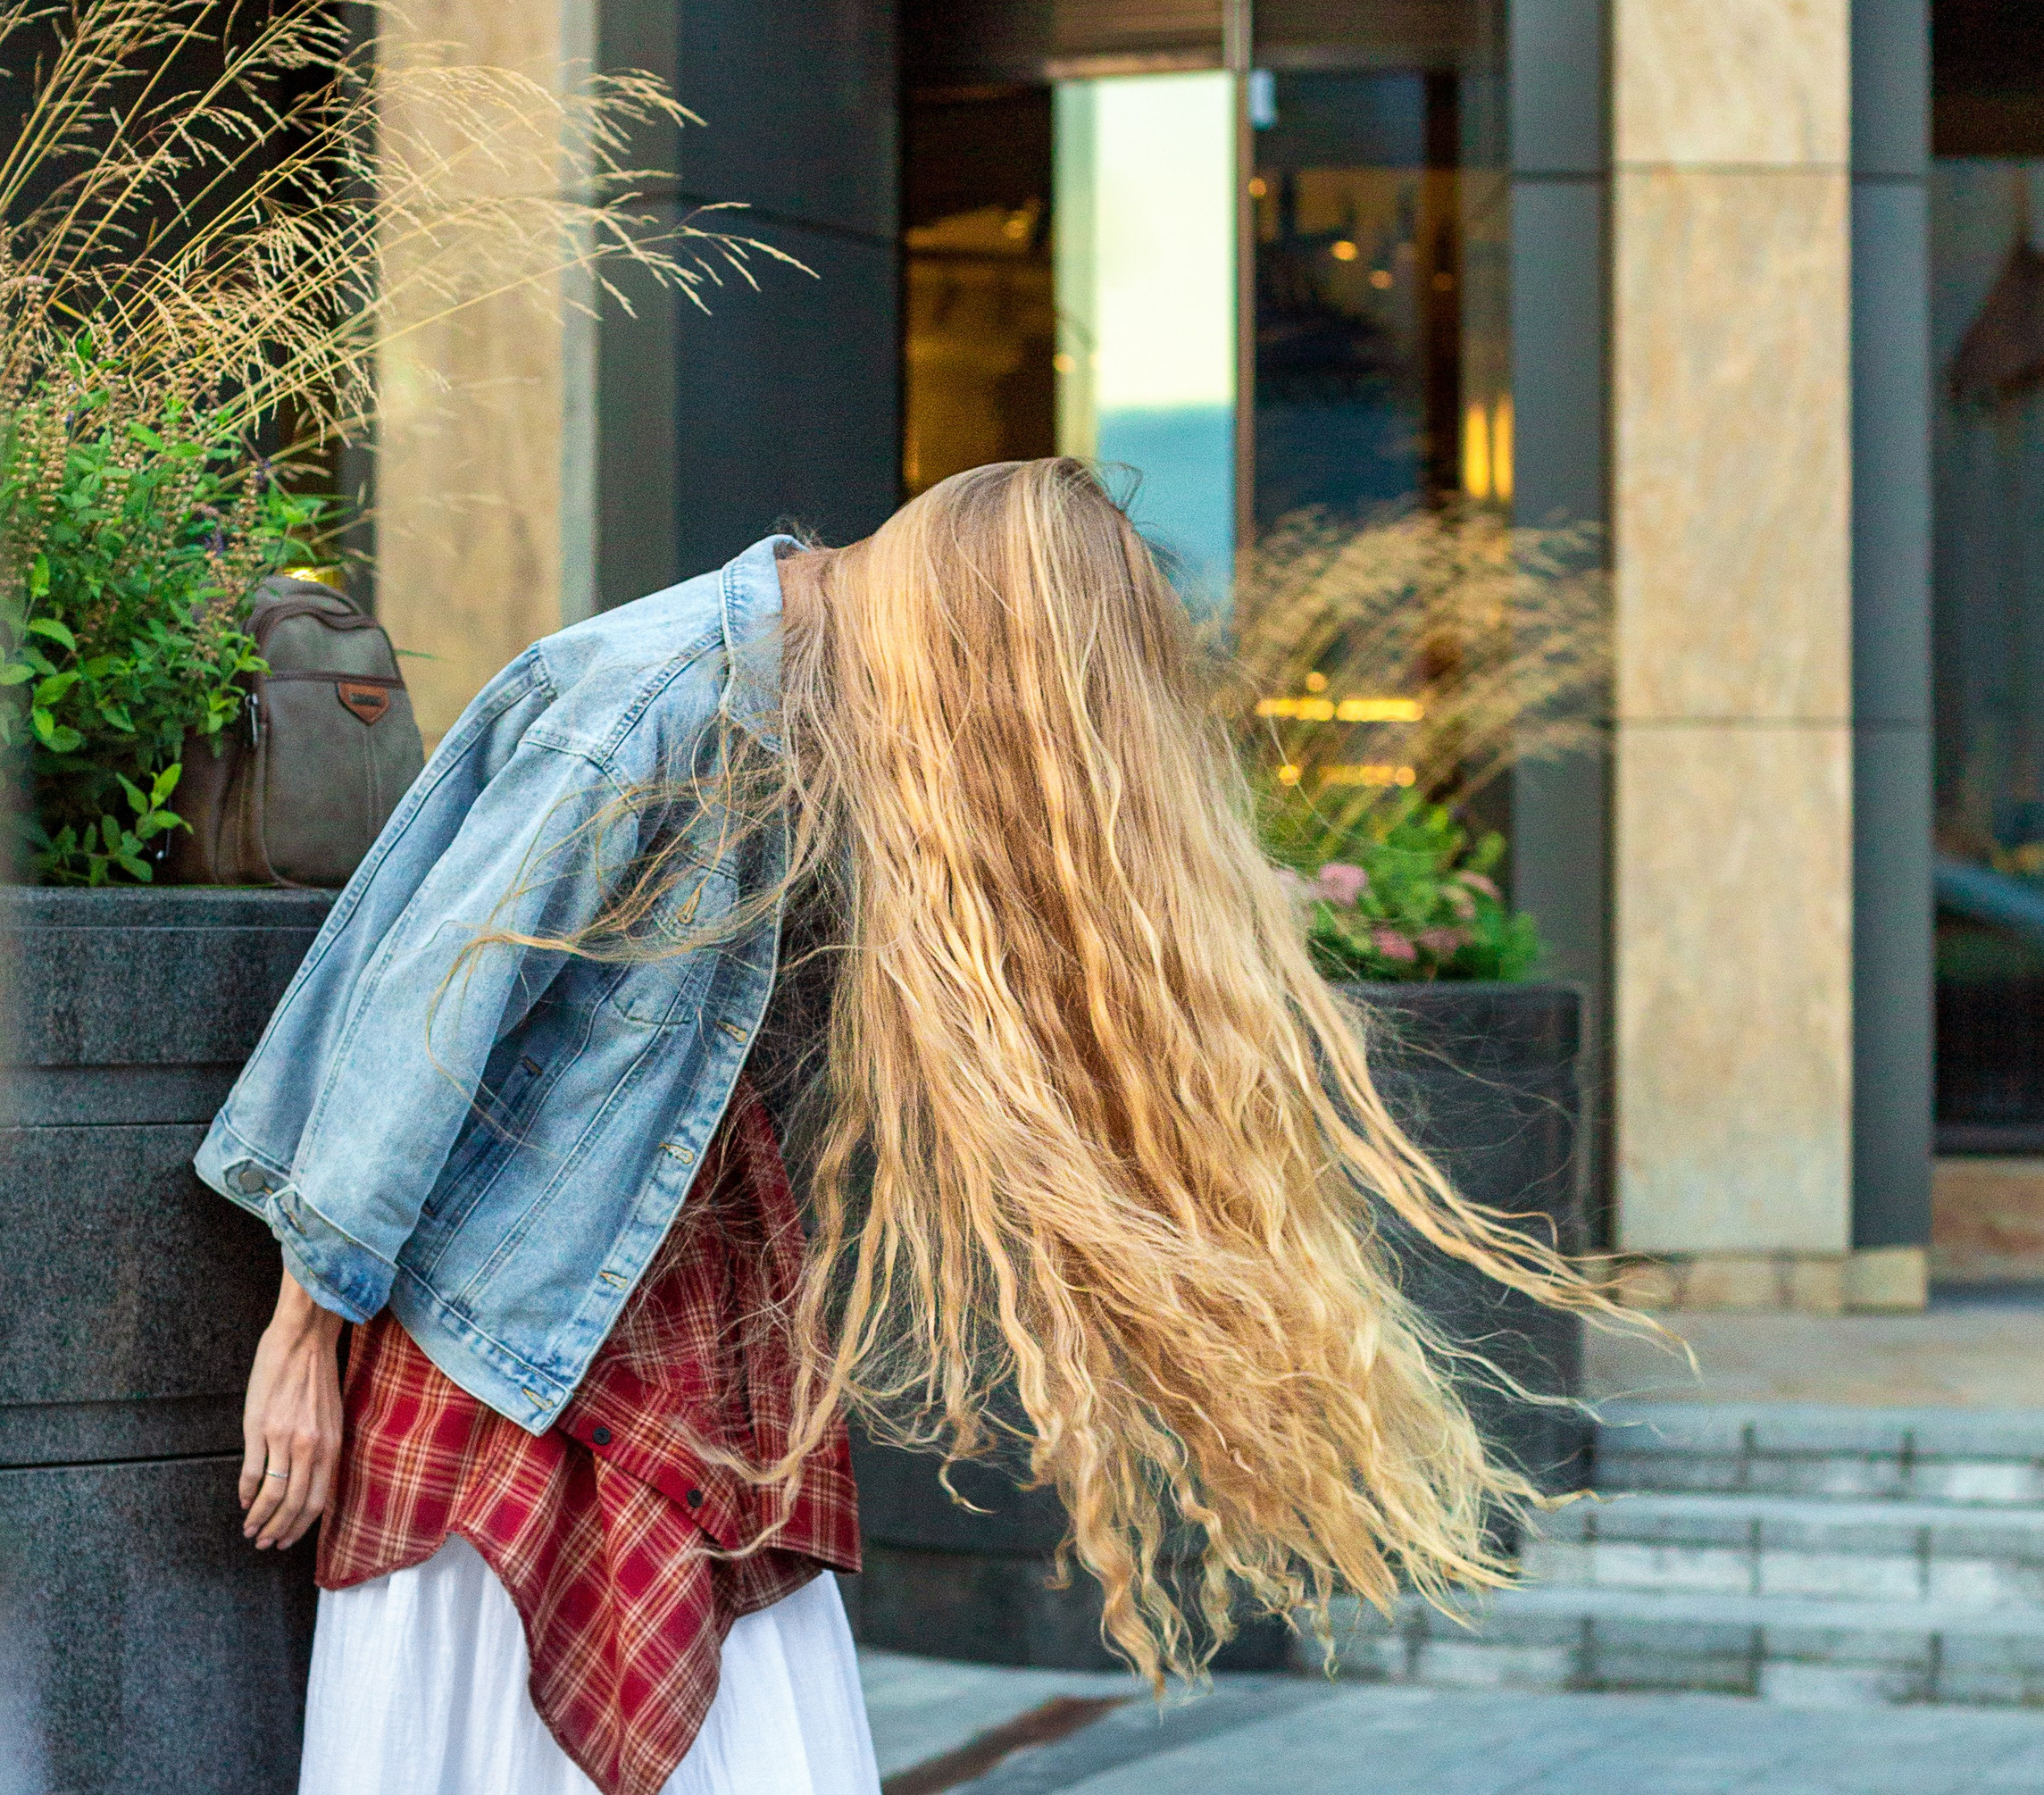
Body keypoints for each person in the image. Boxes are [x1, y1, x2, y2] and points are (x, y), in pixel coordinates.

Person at [199, 457, 1609, 1795]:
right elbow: (422, 1017)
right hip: (514, 1329)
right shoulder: (652, 703)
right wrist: (302, 1335)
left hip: (677, 1305)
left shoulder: (809, 690)